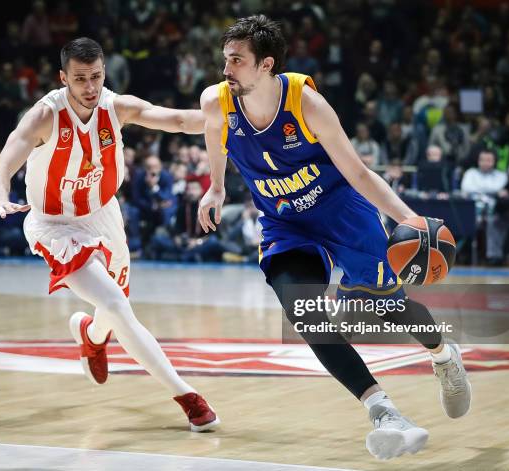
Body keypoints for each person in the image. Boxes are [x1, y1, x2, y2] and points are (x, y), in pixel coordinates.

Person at [198, 16, 471, 460]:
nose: (226, 69)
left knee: (387, 306)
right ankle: (384, 411)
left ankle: (442, 353)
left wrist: (409, 218)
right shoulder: (217, 101)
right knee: (303, 313)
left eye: (236, 60)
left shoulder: (307, 104)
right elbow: (215, 134)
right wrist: (215, 185)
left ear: (266, 65)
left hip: (342, 213)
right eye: (225, 59)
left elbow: (359, 173)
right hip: (284, 224)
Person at [0, 37, 218, 432]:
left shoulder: (115, 106)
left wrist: (230, 116)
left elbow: (178, 120)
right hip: (55, 224)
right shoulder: (45, 116)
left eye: (95, 77)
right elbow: (4, 162)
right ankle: (188, 398)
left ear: (104, 73)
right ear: (63, 78)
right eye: (80, 79)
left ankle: (90, 336)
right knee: (116, 304)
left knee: (112, 308)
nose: (90, 87)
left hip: (104, 216)